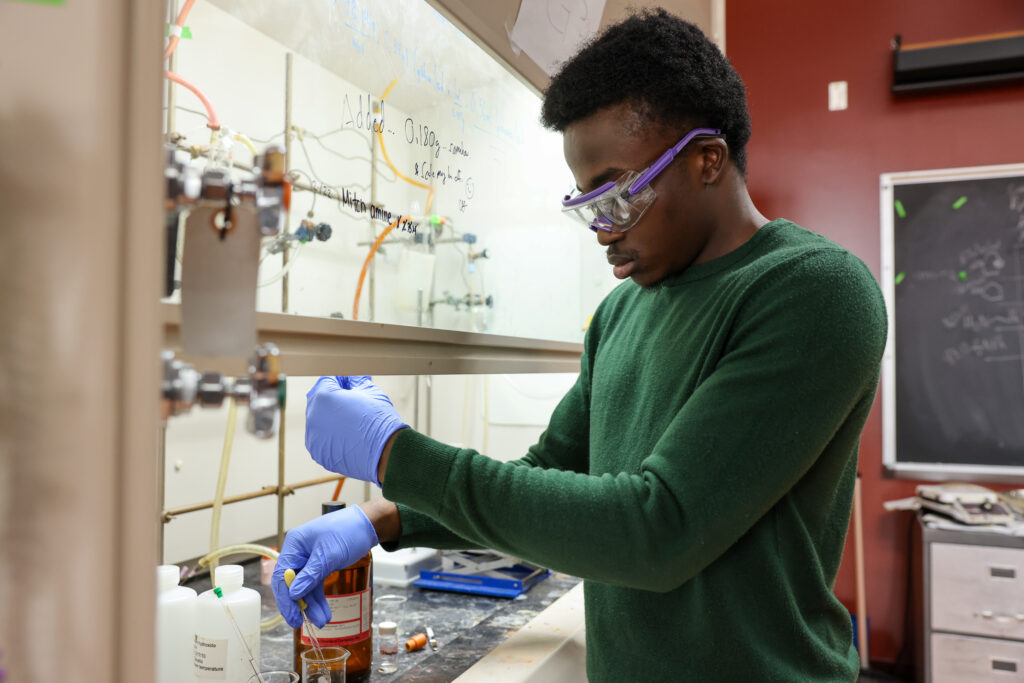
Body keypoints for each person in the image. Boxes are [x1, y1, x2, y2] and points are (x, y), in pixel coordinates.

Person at [273, 8, 887, 681]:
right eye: (588, 205)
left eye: (618, 196)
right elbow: (549, 469)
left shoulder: (814, 292)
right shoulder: (621, 313)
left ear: (707, 160)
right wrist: (381, 519)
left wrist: (396, 453)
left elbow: (658, 529)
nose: (604, 229)